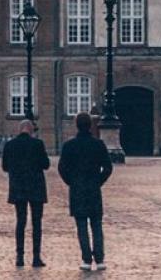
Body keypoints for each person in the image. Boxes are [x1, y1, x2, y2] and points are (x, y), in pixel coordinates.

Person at [58, 112, 112, 272]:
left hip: (77, 190)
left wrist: (72, 182)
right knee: (96, 225)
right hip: (94, 189)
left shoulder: (69, 146)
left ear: (77, 125)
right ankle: (100, 259)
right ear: (90, 125)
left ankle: (86, 259)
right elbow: (108, 167)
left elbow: (62, 168)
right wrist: (99, 181)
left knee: (81, 226)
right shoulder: (98, 144)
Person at [2, 119, 50, 268]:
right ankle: (36, 257)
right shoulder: (38, 144)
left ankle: (19, 257)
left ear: (20, 129)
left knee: (20, 222)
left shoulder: (10, 145)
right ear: (31, 130)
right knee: (37, 223)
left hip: (18, 187)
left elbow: (5, 167)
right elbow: (46, 165)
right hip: (36, 187)